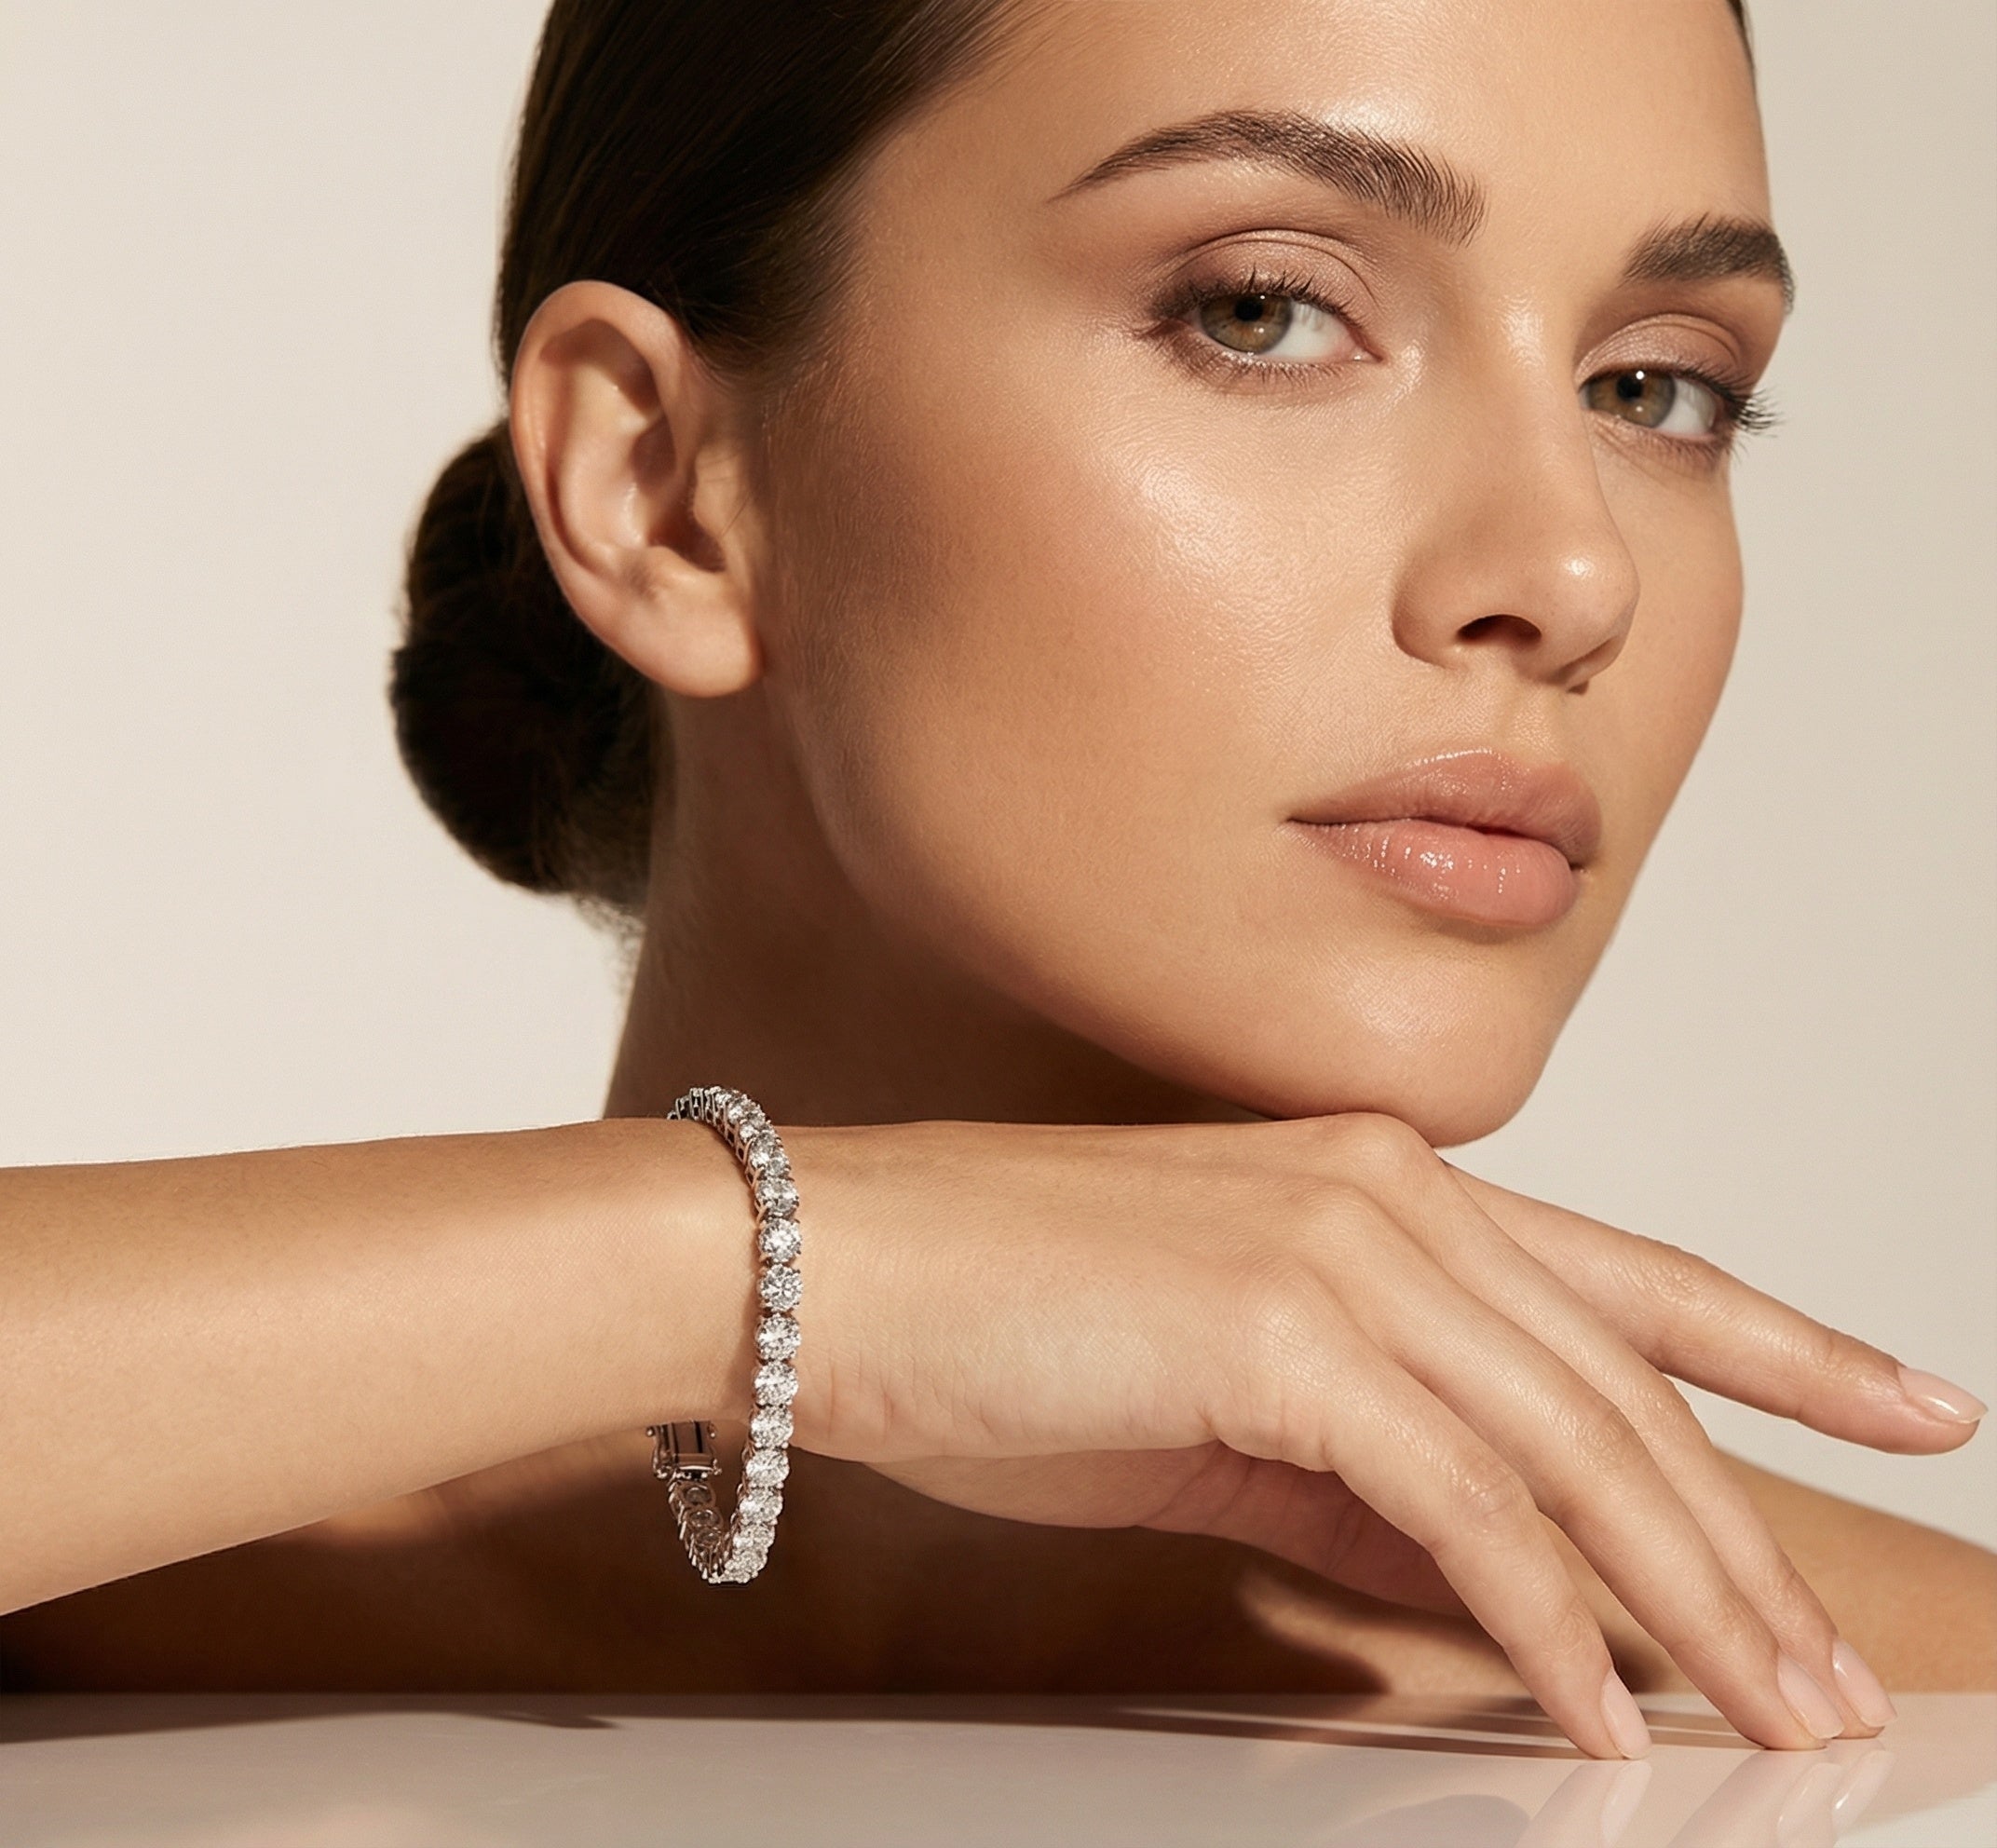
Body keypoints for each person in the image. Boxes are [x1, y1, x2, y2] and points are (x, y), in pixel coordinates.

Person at [1, 0, 1990, 1764]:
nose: (1572, 577)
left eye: (1656, 386)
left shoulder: (1915, 1703)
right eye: (1262, 308)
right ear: (664, 490)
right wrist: (791, 1268)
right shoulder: (98, 1600)